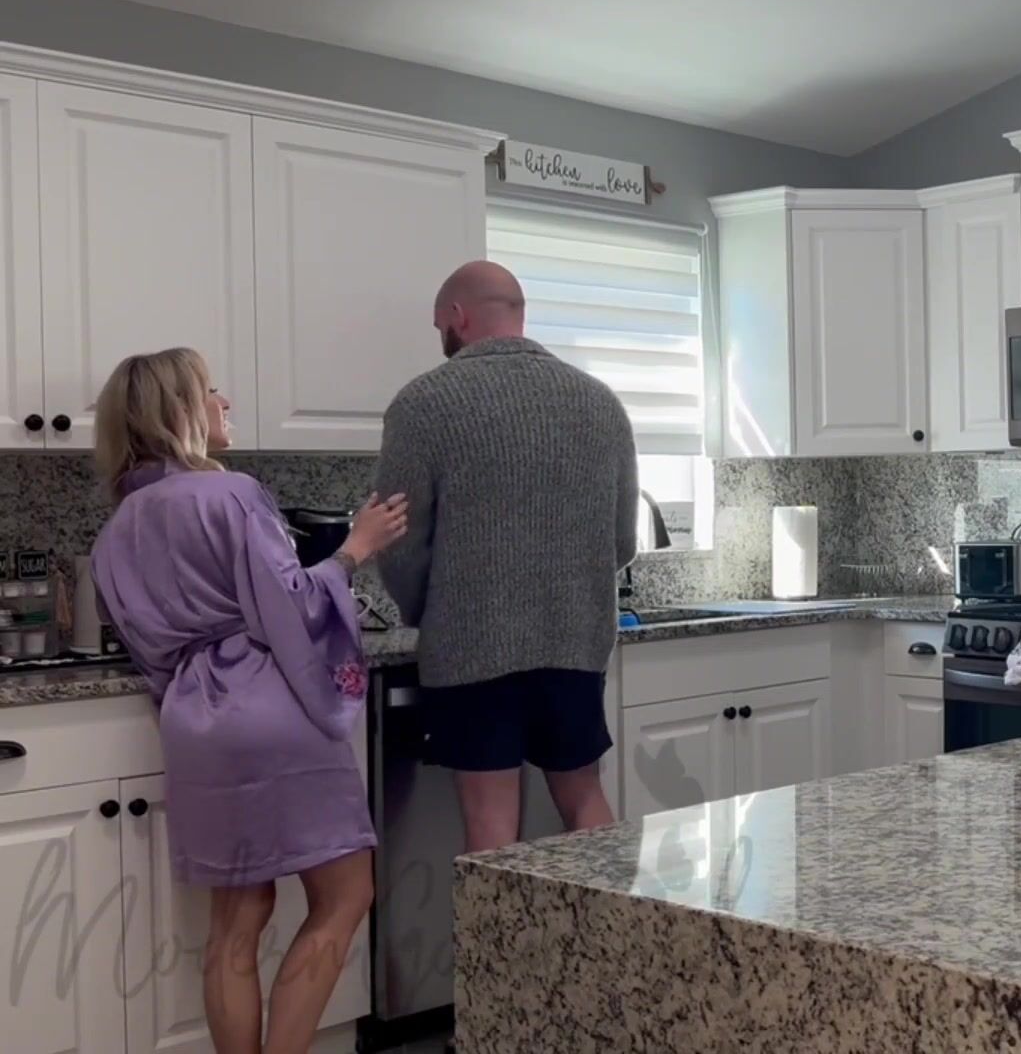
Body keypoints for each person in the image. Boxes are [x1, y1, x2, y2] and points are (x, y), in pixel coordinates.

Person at [89, 347, 409, 1054]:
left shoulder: (115, 532)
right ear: (178, 410)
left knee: (235, 921)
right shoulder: (229, 494)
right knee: (345, 895)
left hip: (194, 722)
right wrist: (353, 550)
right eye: (210, 390)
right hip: (273, 714)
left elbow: (149, 653)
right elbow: (288, 608)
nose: (224, 401)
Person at [375, 260, 637, 853]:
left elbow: (397, 541)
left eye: (439, 325)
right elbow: (621, 542)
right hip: (574, 643)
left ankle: (499, 925)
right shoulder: (600, 402)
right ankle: (612, 916)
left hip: (472, 646)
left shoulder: (423, 403)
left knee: (490, 825)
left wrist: (427, 611)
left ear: (457, 316)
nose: (441, 336)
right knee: (584, 799)